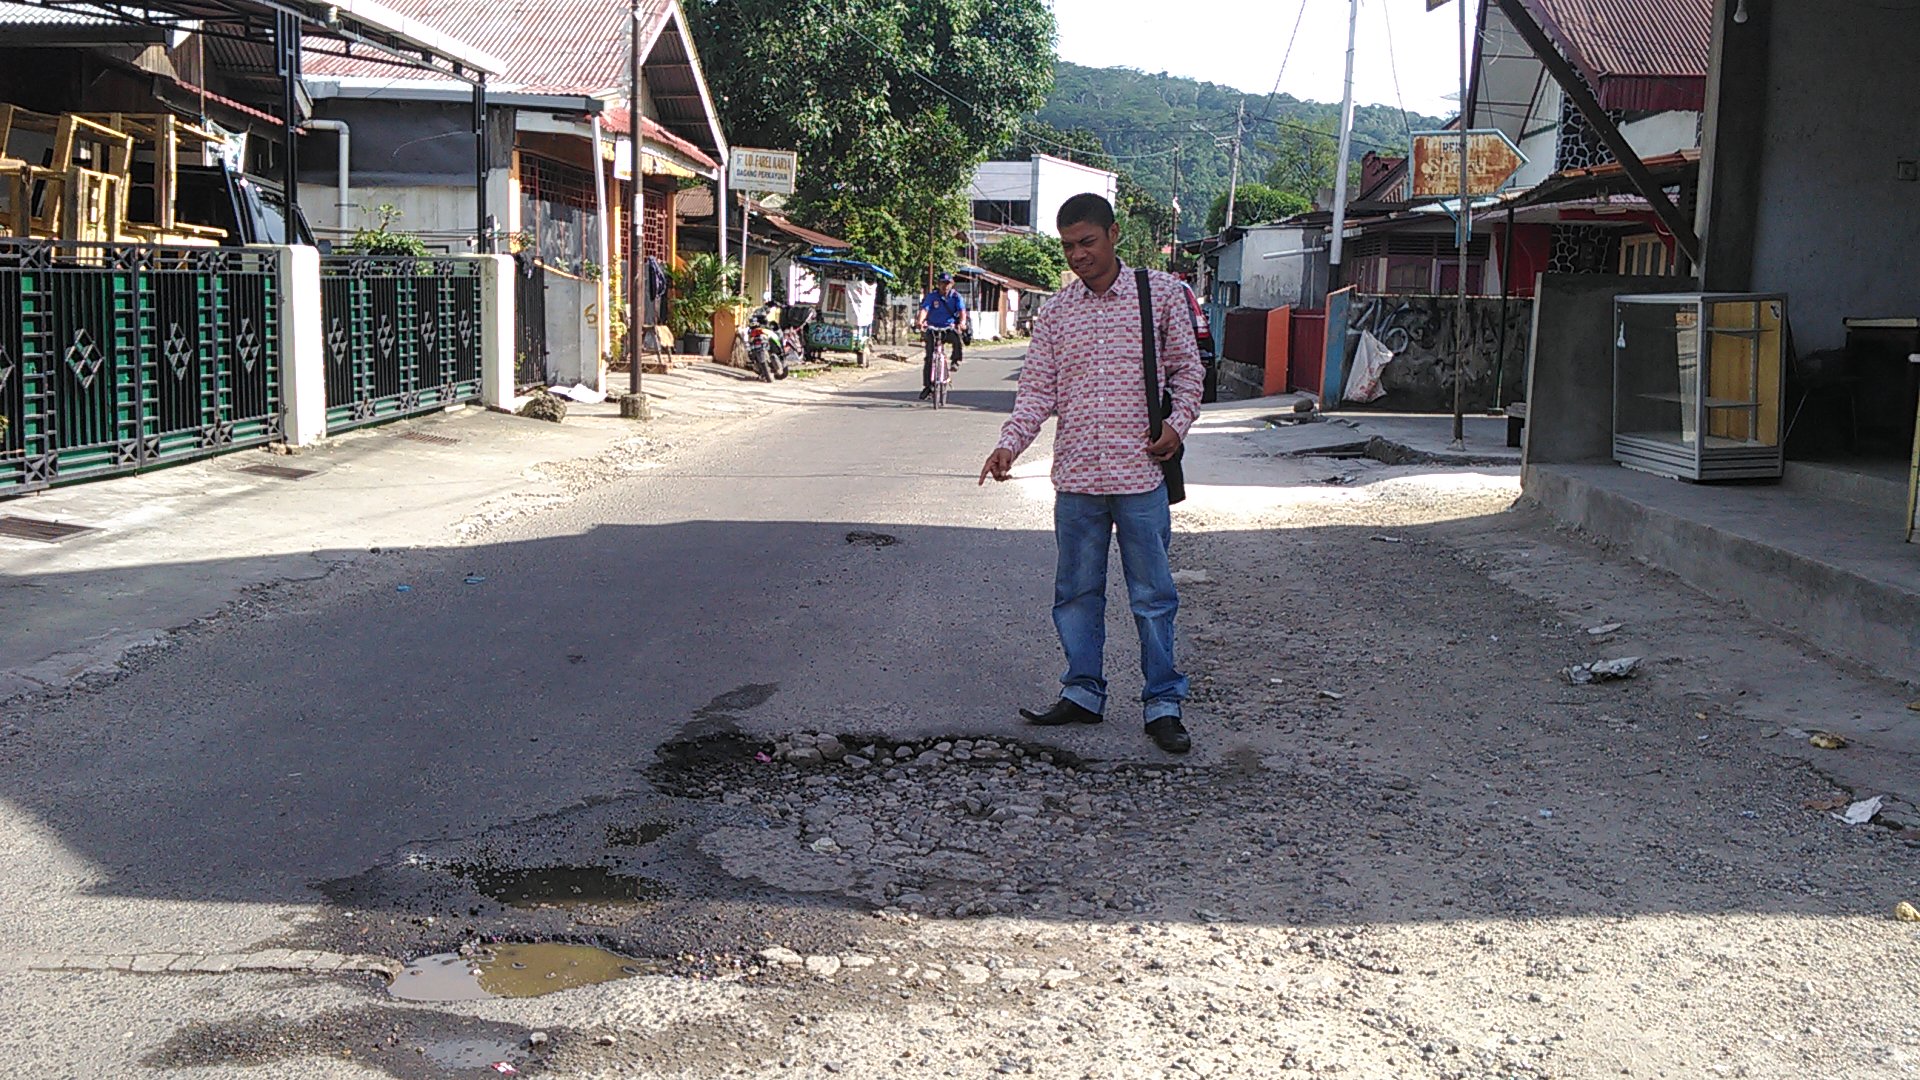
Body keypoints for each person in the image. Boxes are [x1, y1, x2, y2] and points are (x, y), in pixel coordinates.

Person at [978, 193, 1204, 754]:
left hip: (1140, 478)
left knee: (1153, 595)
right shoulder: (1055, 312)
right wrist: (1009, 445)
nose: (1078, 255)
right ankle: (1082, 693)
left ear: (1113, 234)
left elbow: (1188, 371)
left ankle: (1163, 704)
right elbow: (1036, 393)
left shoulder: (1162, 296)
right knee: (1076, 593)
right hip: (1076, 480)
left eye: (1087, 242)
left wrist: (1177, 425)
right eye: (1068, 246)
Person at [915, 271, 969, 401]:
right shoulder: (932, 296)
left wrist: (962, 323)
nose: (945, 286)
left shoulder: (956, 296)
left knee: (956, 338)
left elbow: (962, 311)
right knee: (929, 358)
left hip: (948, 328)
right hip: (933, 328)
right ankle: (928, 387)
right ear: (938, 284)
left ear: (952, 284)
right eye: (943, 283)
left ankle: (956, 360)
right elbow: (925, 309)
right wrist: (920, 321)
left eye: (948, 283)